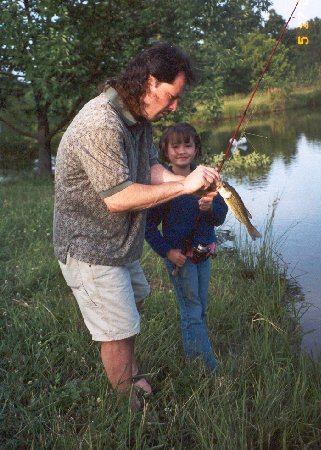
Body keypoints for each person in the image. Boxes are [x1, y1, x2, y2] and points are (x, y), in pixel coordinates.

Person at [53, 43, 220, 408]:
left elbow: (149, 170)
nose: (175, 106)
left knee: (133, 305)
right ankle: (130, 413)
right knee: (117, 330)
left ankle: (130, 374)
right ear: (148, 82)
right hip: (90, 249)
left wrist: (194, 179)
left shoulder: (138, 119)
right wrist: (183, 186)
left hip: (120, 245)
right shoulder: (100, 123)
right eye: (171, 96)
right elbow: (119, 198)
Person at [145, 123, 228, 371]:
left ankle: (196, 355)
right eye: (175, 146)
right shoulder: (162, 186)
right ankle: (207, 368)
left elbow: (220, 216)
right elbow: (149, 227)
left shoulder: (207, 180)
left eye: (187, 145)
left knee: (201, 307)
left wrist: (210, 207)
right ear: (165, 151)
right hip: (179, 258)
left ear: (196, 148)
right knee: (191, 310)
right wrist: (168, 252)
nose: (182, 151)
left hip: (203, 255)